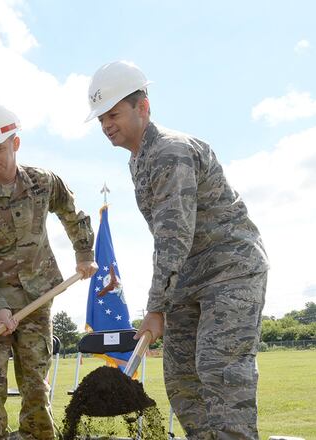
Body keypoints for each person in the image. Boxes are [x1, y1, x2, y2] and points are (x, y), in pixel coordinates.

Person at [85, 60, 269, 439]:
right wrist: (164, 303)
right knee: (183, 380)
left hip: (229, 272)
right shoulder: (138, 161)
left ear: (143, 107)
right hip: (187, 279)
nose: (106, 125)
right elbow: (165, 242)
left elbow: (173, 237)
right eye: (101, 118)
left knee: (220, 371)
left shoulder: (171, 152)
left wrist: (155, 309)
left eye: (114, 114)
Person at [0, 103, 97, 439]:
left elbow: (72, 211)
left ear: (15, 144)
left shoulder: (41, 183)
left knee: (35, 383)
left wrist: (84, 251)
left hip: (36, 299)